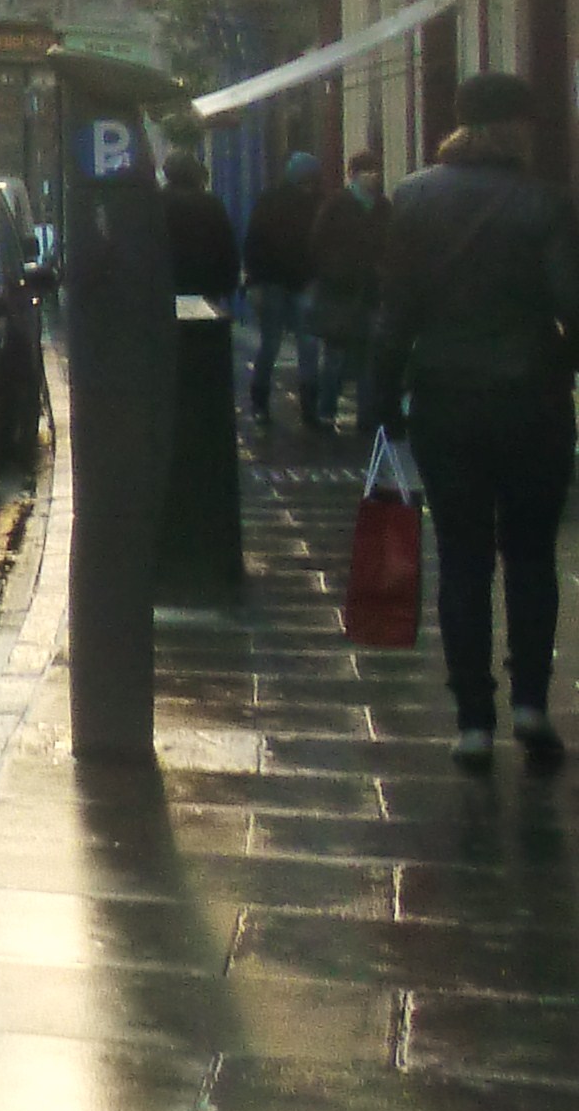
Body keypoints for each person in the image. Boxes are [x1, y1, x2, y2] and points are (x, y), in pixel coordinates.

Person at [362, 75, 577, 770]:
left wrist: (382, 402)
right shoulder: (545, 203)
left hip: (445, 400)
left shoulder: (415, 199)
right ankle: (531, 705)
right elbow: (572, 304)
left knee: (462, 556)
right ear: (519, 126)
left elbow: (395, 313)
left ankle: (473, 720)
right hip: (531, 400)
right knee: (531, 554)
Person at [241, 150, 326, 432]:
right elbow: (256, 242)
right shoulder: (312, 202)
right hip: (285, 282)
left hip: (285, 282)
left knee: (280, 344)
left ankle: (266, 405)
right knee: (295, 344)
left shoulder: (273, 200)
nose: (309, 186)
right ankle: (302, 409)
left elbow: (253, 241)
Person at [307, 150, 389, 440]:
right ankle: (326, 411)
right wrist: (334, 271)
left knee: (369, 356)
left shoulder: (382, 206)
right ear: (352, 174)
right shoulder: (337, 204)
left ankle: (366, 417)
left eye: (375, 170)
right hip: (338, 293)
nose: (373, 176)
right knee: (335, 356)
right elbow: (317, 243)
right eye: (366, 171)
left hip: (370, 293)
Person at [160, 152, 242, 308]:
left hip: (166, 285)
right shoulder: (210, 204)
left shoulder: (157, 204)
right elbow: (225, 244)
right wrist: (229, 282)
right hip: (205, 284)